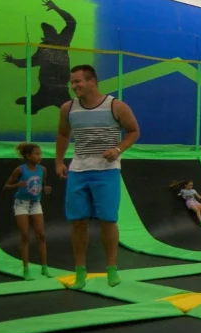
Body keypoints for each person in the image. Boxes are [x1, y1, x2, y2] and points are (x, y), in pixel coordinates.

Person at [55, 64, 140, 290]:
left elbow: (133, 131)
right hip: (78, 169)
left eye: (78, 82)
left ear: (92, 81)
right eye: (72, 82)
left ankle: (111, 268)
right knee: (78, 221)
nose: (74, 86)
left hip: (107, 170)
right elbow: (63, 134)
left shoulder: (115, 106)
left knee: (108, 220)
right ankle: (80, 271)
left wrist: (118, 149)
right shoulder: (68, 108)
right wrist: (58, 161)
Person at [3, 0, 77, 114]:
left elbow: (71, 22)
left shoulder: (63, 40)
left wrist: (56, 8)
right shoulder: (43, 48)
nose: (48, 33)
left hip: (61, 88)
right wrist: (14, 61)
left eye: (50, 30)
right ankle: (33, 101)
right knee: (30, 110)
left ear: (55, 33)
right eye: (46, 32)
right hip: (45, 88)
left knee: (71, 112)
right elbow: (31, 62)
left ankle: (35, 101)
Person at [4, 143, 52, 280]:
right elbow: (6, 186)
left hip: (35, 204)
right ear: (28, 155)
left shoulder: (42, 169)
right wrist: (16, 185)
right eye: (36, 154)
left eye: (40, 154)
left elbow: (41, 186)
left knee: (41, 235)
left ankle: (44, 267)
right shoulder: (20, 170)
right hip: (21, 204)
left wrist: (46, 189)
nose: (39, 156)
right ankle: (26, 268)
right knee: (25, 235)